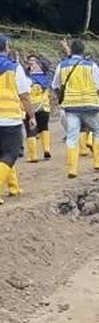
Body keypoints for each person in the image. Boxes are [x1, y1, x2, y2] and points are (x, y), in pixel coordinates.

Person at [52, 39, 99, 178]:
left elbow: (55, 85)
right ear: (83, 51)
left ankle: (72, 169)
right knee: (97, 130)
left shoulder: (62, 66)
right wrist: (95, 96)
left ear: (71, 50)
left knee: (72, 137)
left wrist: (62, 97)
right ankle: (98, 162)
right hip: (90, 105)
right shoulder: (91, 65)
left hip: (70, 106)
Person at [0, 34, 36, 202]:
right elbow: (25, 95)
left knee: (3, 154)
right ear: (6, 47)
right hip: (8, 118)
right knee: (11, 153)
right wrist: (31, 115)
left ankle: (13, 187)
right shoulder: (14, 67)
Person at [24, 55, 52, 162]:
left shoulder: (27, 79)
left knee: (31, 130)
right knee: (44, 127)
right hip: (44, 107)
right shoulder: (45, 78)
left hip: (30, 107)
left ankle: (33, 155)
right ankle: (46, 149)